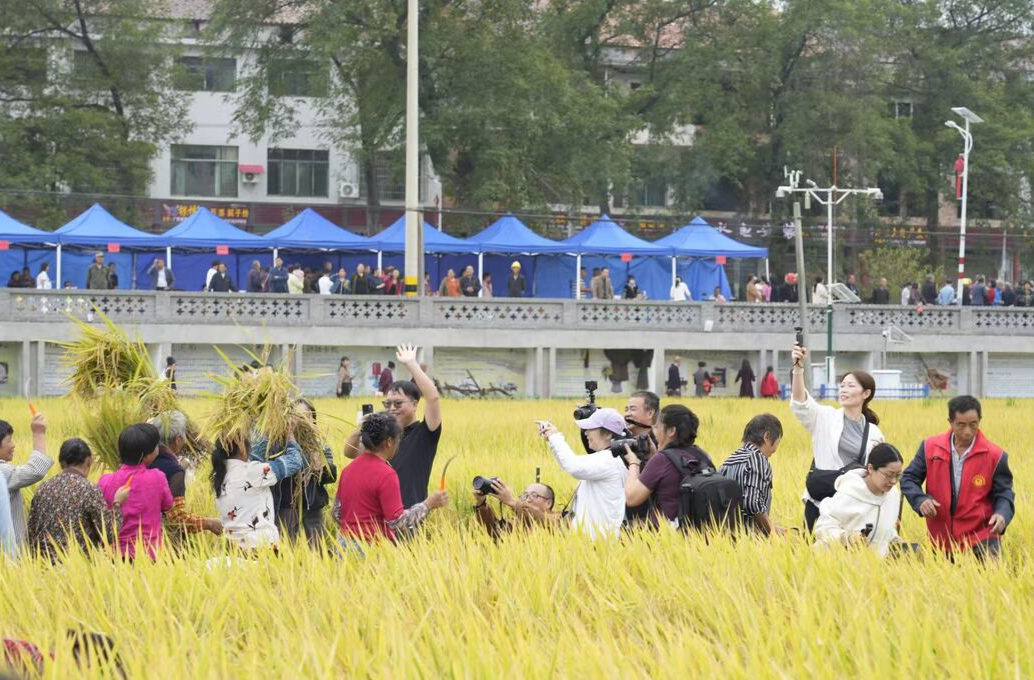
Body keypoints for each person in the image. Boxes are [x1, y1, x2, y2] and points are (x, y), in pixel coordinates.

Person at [900, 396, 1015, 559]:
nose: (967, 431)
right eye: (961, 425)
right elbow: (909, 478)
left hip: (982, 536)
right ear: (950, 422)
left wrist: (1002, 514)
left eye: (973, 424)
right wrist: (920, 500)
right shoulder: (930, 448)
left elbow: (1004, 492)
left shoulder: (995, 456)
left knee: (994, 571)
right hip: (940, 537)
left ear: (979, 421)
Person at [790, 345, 885, 531]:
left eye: (850, 386)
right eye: (842, 386)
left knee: (850, 546)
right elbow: (800, 403)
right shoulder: (825, 417)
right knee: (814, 546)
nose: (844, 390)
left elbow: (878, 473)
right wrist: (798, 369)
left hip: (853, 506)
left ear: (866, 394)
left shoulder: (875, 433)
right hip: (820, 501)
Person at [344, 344, 442, 510]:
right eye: (387, 404)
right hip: (380, 515)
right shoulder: (383, 435)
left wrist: (411, 363)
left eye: (398, 403)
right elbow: (350, 452)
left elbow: (432, 397)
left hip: (411, 514)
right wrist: (360, 428)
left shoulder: (425, 433)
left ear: (414, 404)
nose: (392, 408)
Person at [335, 413, 448, 545]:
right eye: (397, 440)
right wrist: (428, 504)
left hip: (343, 545)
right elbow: (397, 522)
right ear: (389, 442)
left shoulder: (348, 470)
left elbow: (337, 513)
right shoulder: (386, 474)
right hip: (371, 548)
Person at [252, 400, 337, 547]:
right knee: (285, 551)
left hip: (312, 512)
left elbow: (331, 477)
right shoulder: (277, 445)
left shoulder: (320, 446)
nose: (301, 421)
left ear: (313, 420)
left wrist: (321, 466)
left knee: (316, 553)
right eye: (297, 416)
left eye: (306, 417)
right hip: (285, 510)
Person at [26, 438, 127, 561]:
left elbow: (31, 532)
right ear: (88, 461)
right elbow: (109, 534)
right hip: (77, 564)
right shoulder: (89, 489)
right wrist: (117, 503)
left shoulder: (42, 489)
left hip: (43, 564)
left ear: (61, 463)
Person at [539, 408, 627, 539]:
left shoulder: (608, 460)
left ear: (608, 434)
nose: (586, 433)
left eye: (591, 428)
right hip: (592, 540)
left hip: (598, 543)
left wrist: (555, 437)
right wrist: (552, 440)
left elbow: (573, 466)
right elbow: (568, 464)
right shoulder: (608, 458)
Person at [623, 404, 715, 528]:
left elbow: (632, 498)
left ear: (671, 431)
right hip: (698, 531)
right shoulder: (702, 455)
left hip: (669, 533)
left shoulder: (662, 460)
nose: (654, 432)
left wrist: (633, 463)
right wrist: (654, 455)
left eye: (657, 427)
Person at [211, 433, 304, 551]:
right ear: (242, 448)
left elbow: (255, 456)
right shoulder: (251, 472)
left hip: (234, 547)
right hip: (260, 547)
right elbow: (294, 462)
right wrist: (290, 436)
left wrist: (270, 433)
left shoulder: (219, 475)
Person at [97, 424, 174, 560]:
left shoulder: (104, 481)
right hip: (150, 554)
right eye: (156, 446)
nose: (158, 448)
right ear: (146, 456)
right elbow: (168, 505)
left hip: (114, 556)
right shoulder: (158, 477)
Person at [813, 443, 904, 557]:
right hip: (838, 562)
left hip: (873, 565)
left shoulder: (893, 495)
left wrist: (895, 540)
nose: (894, 481)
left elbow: (886, 527)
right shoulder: (849, 492)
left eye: (898, 475)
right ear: (870, 468)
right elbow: (823, 527)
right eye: (889, 475)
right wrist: (846, 538)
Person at [147, 411, 222, 538]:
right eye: (184, 436)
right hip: (157, 539)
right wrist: (208, 523)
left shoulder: (144, 460)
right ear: (178, 439)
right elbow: (175, 518)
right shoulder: (175, 472)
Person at [719, 414, 783, 535]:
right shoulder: (757, 459)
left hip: (727, 536)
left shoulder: (729, 461)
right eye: (777, 443)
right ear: (767, 436)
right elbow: (753, 505)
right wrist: (773, 533)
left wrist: (775, 528)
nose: (775, 449)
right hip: (749, 538)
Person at [0, 414, 54, 549]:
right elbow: (35, 470)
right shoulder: (2, 472)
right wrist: (39, 434)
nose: (13, 445)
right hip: (8, 553)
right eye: (9, 441)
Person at [474, 478, 558, 539]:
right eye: (525, 495)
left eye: (533, 495)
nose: (527, 499)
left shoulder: (558, 520)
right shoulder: (517, 524)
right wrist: (481, 504)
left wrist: (511, 501)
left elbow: (542, 518)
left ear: (548, 503)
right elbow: (492, 531)